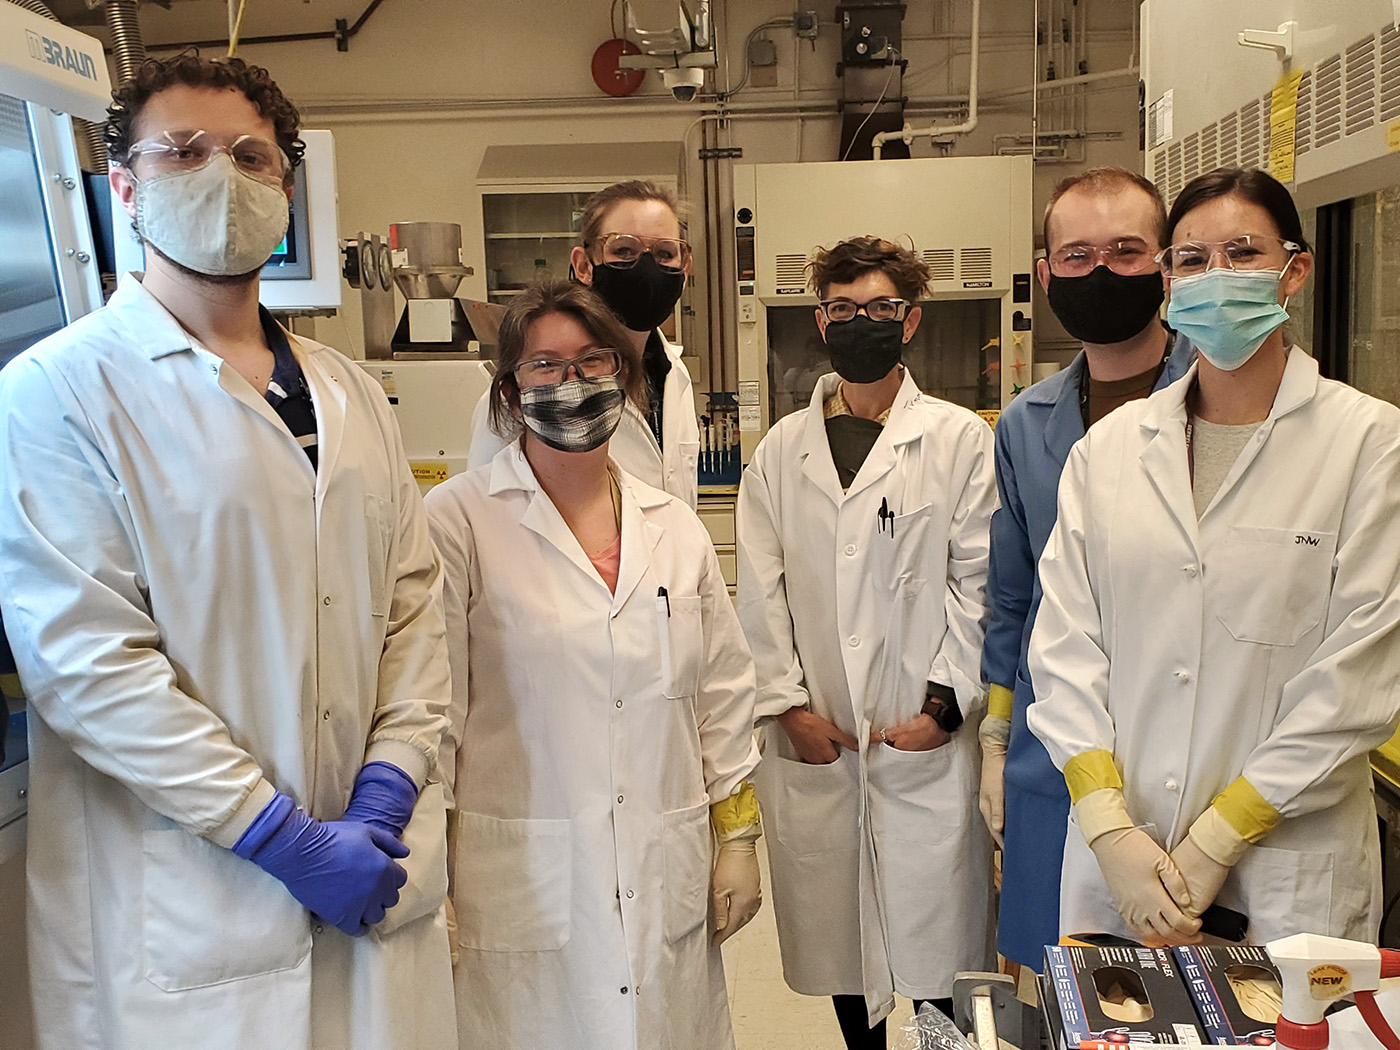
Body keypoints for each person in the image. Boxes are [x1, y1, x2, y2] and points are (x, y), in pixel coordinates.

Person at [0, 55, 454, 1050]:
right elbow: (86, 664)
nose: (221, 175)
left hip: (375, 868)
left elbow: (414, 606)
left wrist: (389, 782)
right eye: (183, 151)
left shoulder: (347, 395)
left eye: (250, 157)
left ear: (284, 192)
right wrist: (277, 836)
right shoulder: (58, 394)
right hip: (190, 909)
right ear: (123, 185)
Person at [1028, 167, 1400, 947]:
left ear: (1295, 269)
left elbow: (1360, 676)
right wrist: (1107, 828)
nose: (1216, 276)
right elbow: (1065, 649)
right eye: (1192, 260)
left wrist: (1219, 837)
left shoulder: (1371, 445)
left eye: (1243, 252)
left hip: (1285, 868)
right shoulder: (1111, 452)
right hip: (1123, 867)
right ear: (1168, 282)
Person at [426, 279, 762, 1050]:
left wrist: (738, 836)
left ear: (625, 374)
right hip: (522, 878)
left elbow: (721, 692)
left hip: (661, 860)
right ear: (510, 393)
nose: (571, 382)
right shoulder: (458, 520)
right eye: (543, 365)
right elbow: (430, 712)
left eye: (591, 360)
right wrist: (429, 870)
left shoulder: (673, 526)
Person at [736, 236, 997, 1047]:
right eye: (843, 309)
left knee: (938, 945)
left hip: (921, 736)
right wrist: (786, 707)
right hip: (824, 737)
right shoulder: (781, 451)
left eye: (880, 308)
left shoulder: (958, 440)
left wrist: (946, 707)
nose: (861, 322)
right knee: (844, 940)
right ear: (821, 321)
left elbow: (977, 582)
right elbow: (760, 590)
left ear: (911, 320)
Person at [978, 167, 1195, 969]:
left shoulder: (1220, 398)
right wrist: (997, 742)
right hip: (1053, 753)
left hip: (1182, 751)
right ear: (1044, 274)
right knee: (1052, 984)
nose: (1099, 273)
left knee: (1181, 995)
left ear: (1164, 265)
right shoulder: (1027, 424)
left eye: (1125, 252)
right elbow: (1013, 602)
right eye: (1074, 256)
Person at [468, 180, 701, 508]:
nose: (647, 269)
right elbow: (484, 514)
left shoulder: (674, 376)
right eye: (623, 251)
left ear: (684, 268)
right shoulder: (533, 391)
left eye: (665, 254)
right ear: (583, 265)